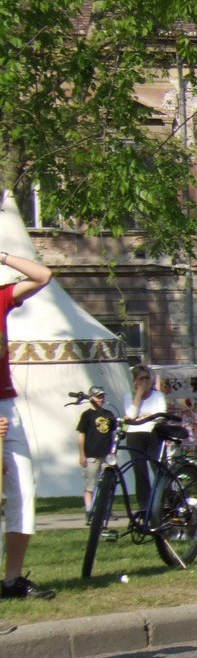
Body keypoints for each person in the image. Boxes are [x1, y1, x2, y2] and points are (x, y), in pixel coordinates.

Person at [0, 248, 58, 602]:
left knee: (23, 490)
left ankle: (12, 580)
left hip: (8, 405)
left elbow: (43, 276)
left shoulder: (1, 298)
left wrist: (4, 257)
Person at [124, 365, 167, 508]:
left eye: (147, 378)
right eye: (141, 379)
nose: (144, 381)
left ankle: (164, 501)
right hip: (134, 434)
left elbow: (160, 415)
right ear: (135, 381)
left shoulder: (158, 396)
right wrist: (138, 396)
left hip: (153, 433)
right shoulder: (129, 396)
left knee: (158, 467)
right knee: (140, 470)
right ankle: (144, 506)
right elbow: (131, 416)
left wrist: (143, 417)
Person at [77, 386, 117, 520]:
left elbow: (113, 433)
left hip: (107, 455)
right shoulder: (87, 415)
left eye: (102, 396)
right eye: (98, 397)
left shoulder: (108, 414)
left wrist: (113, 452)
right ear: (92, 398)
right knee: (91, 484)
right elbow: (81, 434)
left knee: (107, 484)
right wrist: (82, 454)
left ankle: (105, 510)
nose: (101, 399)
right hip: (92, 455)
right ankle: (89, 511)